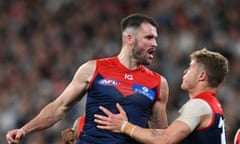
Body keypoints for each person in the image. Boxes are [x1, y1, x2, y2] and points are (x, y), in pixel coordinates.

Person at [6, 13, 169, 144]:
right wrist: (24, 130)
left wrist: (127, 127)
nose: (155, 43)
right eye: (148, 37)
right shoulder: (93, 69)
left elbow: (162, 138)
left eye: (155, 38)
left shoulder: (158, 83)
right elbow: (59, 107)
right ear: (129, 39)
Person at [94, 48, 229, 144]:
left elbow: (165, 139)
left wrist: (124, 126)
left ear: (202, 76)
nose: (185, 71)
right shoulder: (212, 105)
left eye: (190, 68)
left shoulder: (199, 105)